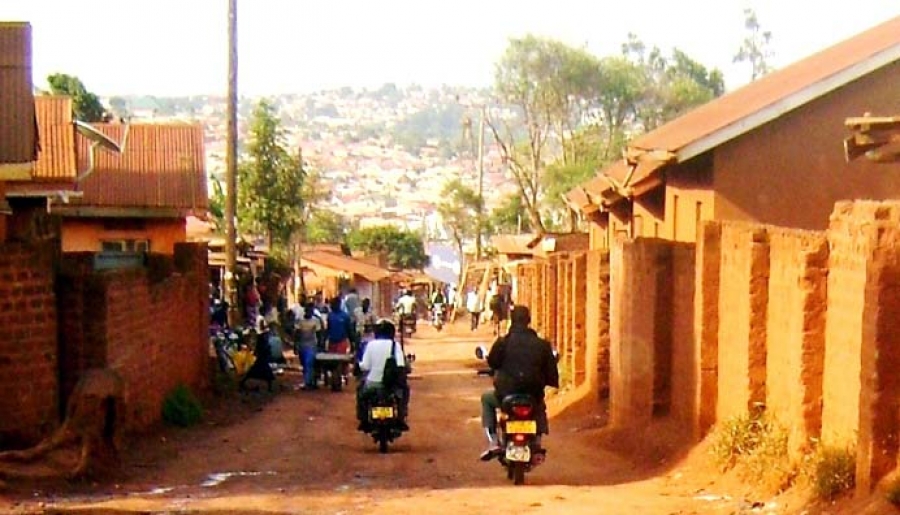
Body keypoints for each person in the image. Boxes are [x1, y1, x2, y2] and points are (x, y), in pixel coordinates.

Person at [479, 305, 559, 461]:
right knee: (540, 406)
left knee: (487, 400)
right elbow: (550, 370)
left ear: (512, 320)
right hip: (532, 394)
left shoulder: (503, 342)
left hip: (505, 394)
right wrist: (550, 381)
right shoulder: (542, 345)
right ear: (528, 321)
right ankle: (537, 441)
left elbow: (493, 362)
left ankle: (493, 440)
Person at [356, 319, 409, 431]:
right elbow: (401, 365)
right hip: (391, 386)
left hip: (372, 384)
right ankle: (401, 417)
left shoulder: (370, 345)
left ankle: (363, 419)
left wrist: (357, 366)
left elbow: (365, 366)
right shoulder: (395, 345)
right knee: (405, 391)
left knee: (360, 393)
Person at [294, 303, 323, 390]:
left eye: (311, 310)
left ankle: (307, 383)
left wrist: (320, 344)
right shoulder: (300, 320)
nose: (309, 312)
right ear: (305, 310)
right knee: (304, 364)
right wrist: (296, 345)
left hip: (312, 345)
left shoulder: (316, 321)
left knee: (308, 363)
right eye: (308, 310)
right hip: (302, 345)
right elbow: (297, 333)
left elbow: (319, 333)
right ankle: (310, 381)